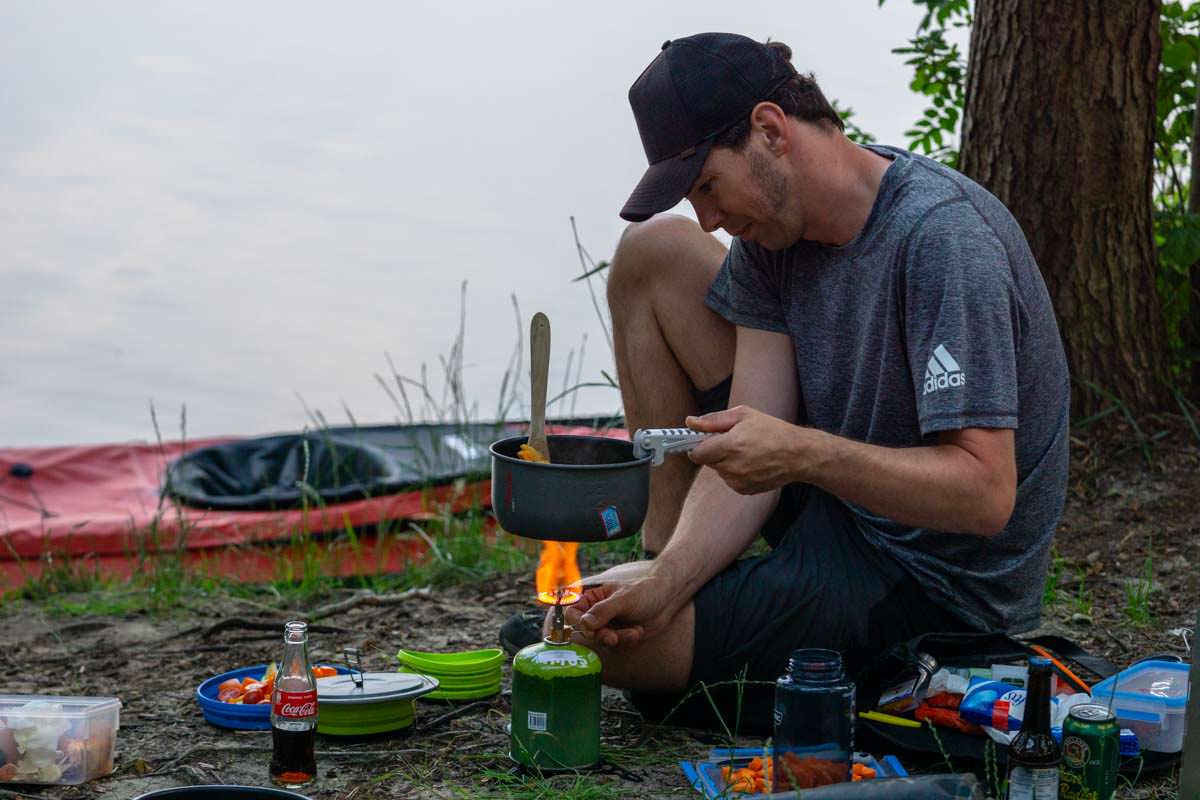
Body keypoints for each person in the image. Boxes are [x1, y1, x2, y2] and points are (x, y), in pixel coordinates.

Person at [558, 32, 1070, 731]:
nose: (706, 217)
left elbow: (985, 496)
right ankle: (667, 563)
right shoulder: (772, 239)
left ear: (770, 130)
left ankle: (856, 673)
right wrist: (669, 576)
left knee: (566, 645)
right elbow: (755, 429)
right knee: (655, 249)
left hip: (931, 584)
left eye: (707, 184)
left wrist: (804, 454)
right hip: (836, 506)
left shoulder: (943, 240)